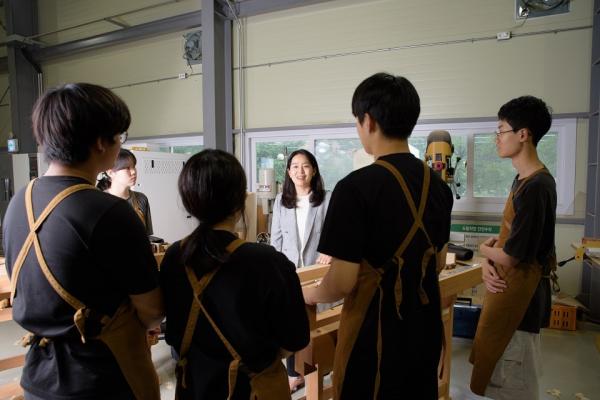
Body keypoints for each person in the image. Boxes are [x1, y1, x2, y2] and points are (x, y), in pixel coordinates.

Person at [2, 83, 164, 400]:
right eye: (120, 136)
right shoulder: (109, 211)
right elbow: (153, 310)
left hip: (38, 378)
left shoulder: (20, 200)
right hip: (101, 378)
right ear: (101, 142)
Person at [303, 72, 453, 399]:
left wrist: (311, 294)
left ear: (368, 121)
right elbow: (438, 262)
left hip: (376, 334)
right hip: (424, 326)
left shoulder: (354, 188)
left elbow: (341, 282)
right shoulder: (439, 187)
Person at [160, 149, 310, 399]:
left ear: (188, 200)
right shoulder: (267, 261)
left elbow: (172, 329)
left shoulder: (175, 256)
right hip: (252, 389)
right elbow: (295, 338)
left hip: (194, 387)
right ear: (240, 199)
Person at [470, 96, 556, 400]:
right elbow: (507, 241)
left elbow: (511, 253)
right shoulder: (521, 180)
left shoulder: (536, 187)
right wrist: (486, 263)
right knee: (500, 381)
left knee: (515, 385)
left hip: (521, 304)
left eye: (501, 130)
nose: (497, 138)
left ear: (523, 134)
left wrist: (484, 250)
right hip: (506, 290)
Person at [270, 148, 332, 392]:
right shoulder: (280, 201)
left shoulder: (326, 198)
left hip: (318, 272)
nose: (300, 171)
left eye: (305, 166)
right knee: (291, 324)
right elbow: (276, 241)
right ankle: (295, 374)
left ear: (314, 169)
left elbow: (336, 234)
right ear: (288, 171)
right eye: (295, 166)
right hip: (290, 273)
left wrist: (331, 252)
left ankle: (319, 369)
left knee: (317, 325)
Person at [97, 148, 154, 236]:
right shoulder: (99, 201)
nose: (134, 172)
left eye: (134, 166)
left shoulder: (141, 198)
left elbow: (147, 236)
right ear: (111, 173)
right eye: (127, 168)